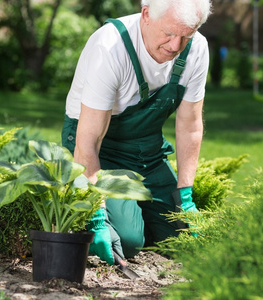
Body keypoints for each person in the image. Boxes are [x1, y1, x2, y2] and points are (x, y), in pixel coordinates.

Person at [62, 0, 212, 265]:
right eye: (169, 33)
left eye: (185, 36)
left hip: (147, 148)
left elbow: (190, 126)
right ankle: (74, 200)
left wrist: (185, 194)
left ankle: (136, 213)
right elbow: (88, 141)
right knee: (128, 241)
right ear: (146, 14)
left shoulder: (197, 48)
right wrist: (96, 216)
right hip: (98, 146)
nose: (175, 46)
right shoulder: (110, 47)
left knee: (183, 238)